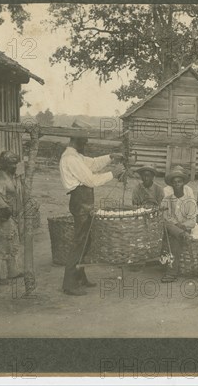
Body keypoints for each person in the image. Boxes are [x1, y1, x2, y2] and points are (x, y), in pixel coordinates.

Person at [59, 121, 126, 296]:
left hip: (85, 200)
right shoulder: (70, 159)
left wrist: (111, 157)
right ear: (76, 140)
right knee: (79, 241)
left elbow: (94, 164)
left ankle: (80, 277)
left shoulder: (78, 157)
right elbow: (90, 180)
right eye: (84, 140)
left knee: (86, 240)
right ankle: (69, 284)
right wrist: (114, 173)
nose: (86, 143)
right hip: (80, 200)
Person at [0, 151, 24, 285]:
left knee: (14, 243)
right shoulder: (0, 178)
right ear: (4, 165)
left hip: (12, 214)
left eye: (15, 164)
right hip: (3, 215)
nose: (14, 166)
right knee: (3, 244)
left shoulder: (12, 176)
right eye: (11, 164)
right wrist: (5, 210)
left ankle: (13, 271)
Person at [160, 166, 198, 283]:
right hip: (170, 229)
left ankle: (171, 274)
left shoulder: (190, 201)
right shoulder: (166, 200)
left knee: (174, 239)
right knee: (166, 225)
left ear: (183, 184)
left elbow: (192, 221)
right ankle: (180, 234)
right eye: (174, 182)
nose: (177, 184)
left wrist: (180, 227)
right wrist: (176, 227)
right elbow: (164, 217)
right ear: (171, 184)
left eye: (179, 182)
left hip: (183, 229)